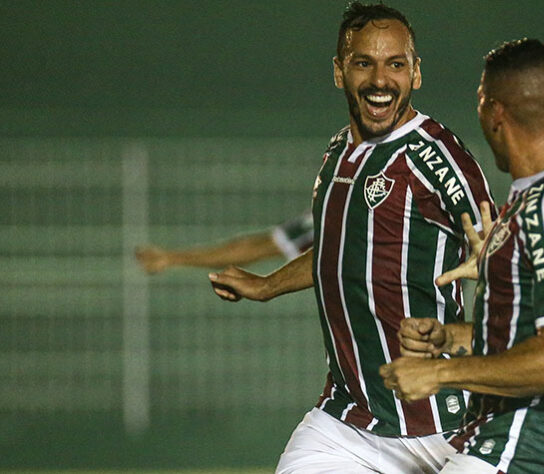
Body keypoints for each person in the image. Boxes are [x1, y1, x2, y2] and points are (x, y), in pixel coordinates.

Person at [207, 3, 496, 473]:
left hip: (446, 422)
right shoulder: (338, 152)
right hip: (349, 422)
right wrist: (267, 286)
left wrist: (495, 266)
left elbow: (496, 249)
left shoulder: (438, 158)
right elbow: (343, 249)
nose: (380, 80)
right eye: (364, 63)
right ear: (340, 71)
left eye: (395, 64)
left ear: (415, 73)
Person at [380, 39, 544, 473]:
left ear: (493, 111)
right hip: (505, 449)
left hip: (526, 455)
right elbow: (542, 331)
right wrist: (452, 338)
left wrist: (439, 375)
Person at [134, 212, 314, 274]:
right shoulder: (329, 216)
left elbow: (256, 248)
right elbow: (256, 248)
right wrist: (172, 258)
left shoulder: (333, 215)